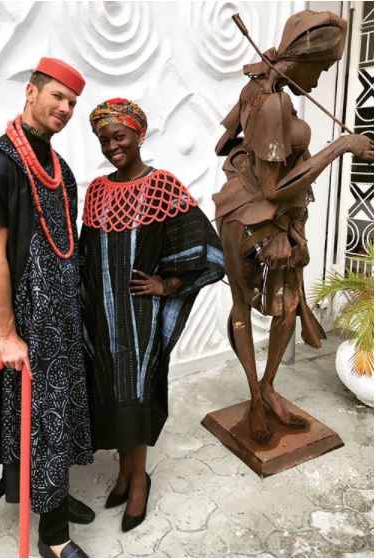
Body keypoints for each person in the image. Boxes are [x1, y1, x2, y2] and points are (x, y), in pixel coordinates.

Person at [0, 57, 96, 558]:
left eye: (73, 102)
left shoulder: (61, 171)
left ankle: (51, 492)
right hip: (26, 325)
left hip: (61, 319)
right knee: (36, 420)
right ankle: (53, 535)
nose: (65, 108)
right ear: (31, 92)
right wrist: (8, 336)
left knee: (59, 415)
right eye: (58, 96)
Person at [214, 10, 374, 443]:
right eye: (320, 69)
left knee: (287, 306)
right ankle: (254, 395)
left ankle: (268, 387)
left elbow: (225, 144)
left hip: (281, 219)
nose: (320, 80)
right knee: (244, 305)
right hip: (250, 220)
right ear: (302, 58)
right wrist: (341, 146)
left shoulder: (261, 86)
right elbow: (274, 188)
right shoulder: (272, 101)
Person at [80, 98, 225, 531]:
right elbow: (87, 255)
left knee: (135, 394)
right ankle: (125, 472)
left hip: (139, 317)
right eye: (104, 140)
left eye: (119, 136)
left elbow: (205, 246)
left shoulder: (162, 186)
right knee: (113, 395)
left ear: (139, 134)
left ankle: (139, 479)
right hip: (102, 318)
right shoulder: (97, 190)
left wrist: (168, 284)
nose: (112, 146)